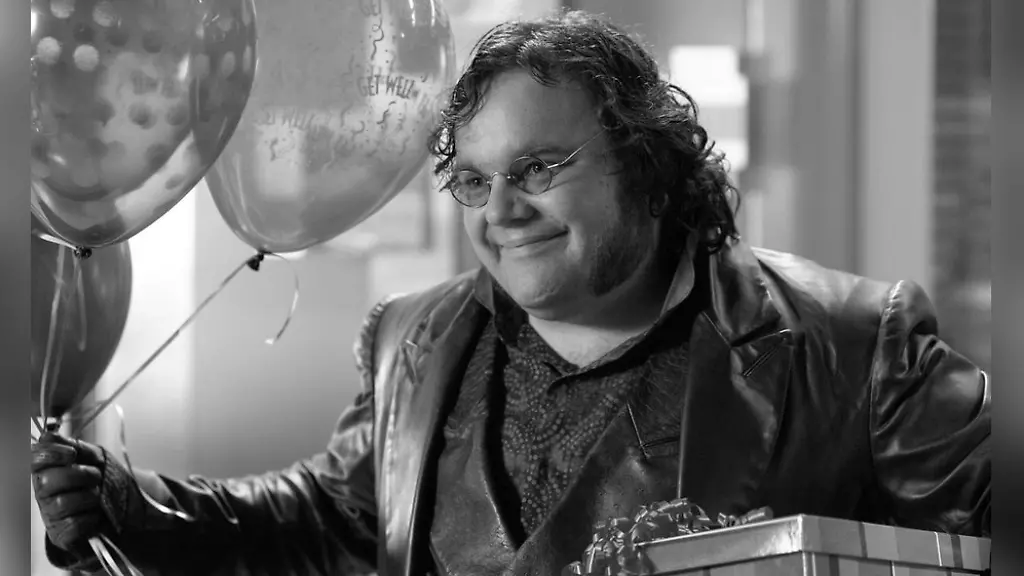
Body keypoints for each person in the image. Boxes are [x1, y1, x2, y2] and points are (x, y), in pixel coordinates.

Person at [32, 9, 991, 576]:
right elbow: (329, 524)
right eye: (472, 179)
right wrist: (130, 503)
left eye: (538, 167)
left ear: (649, 165)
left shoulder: (858, 346)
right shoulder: (411, 340)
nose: (501, 211)